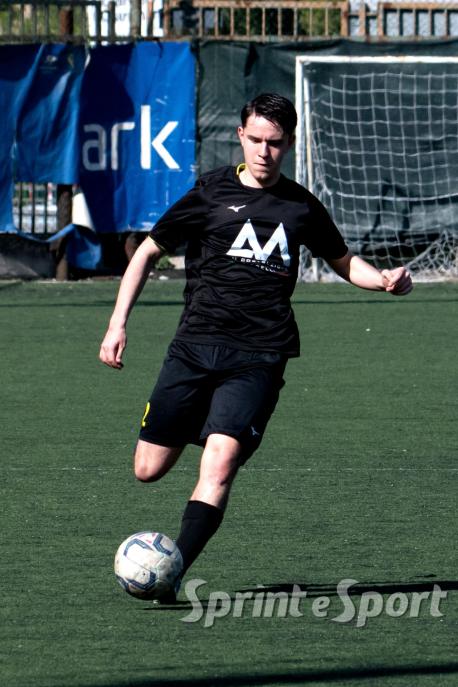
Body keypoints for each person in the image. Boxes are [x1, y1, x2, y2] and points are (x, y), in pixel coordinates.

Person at [99, 93, 413, 600]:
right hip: (194, 346)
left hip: (259, 355)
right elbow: (148, 252)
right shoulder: (209, 193)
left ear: (289, 143)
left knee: (220, 463)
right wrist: (117, 325)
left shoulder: (300, 205)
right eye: (257, 140)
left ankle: (172, 570)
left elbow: (343, 260)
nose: (265, 151)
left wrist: (383, 280)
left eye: (276, 143)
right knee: (147, 469)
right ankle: (205, 426)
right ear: (240, 136)